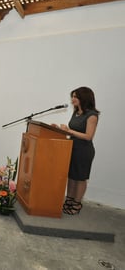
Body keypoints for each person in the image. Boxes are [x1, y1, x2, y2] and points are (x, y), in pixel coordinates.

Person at [56, 87, 99, 215]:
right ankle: (69, 200)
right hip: (71, 148)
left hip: (84, 151)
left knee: (80, 178)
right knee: (71, 176)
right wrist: (60, 129)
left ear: (83, 98)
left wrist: (69, 131)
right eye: (72, 96)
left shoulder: (92, 115)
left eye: (75, 96)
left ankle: (77, 203)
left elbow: (88, 136)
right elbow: (72, 131)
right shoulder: (75, 112)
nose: (72, 99)